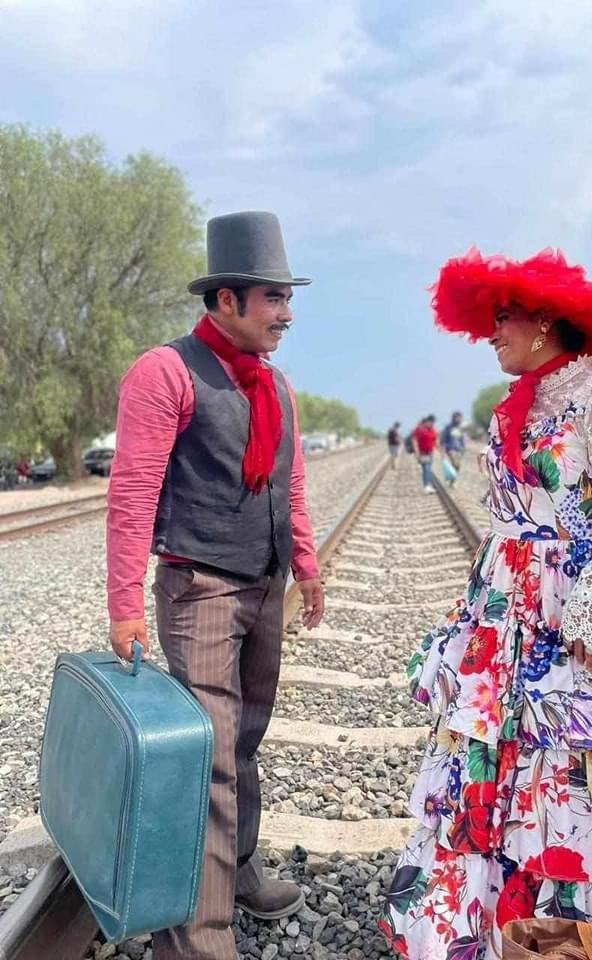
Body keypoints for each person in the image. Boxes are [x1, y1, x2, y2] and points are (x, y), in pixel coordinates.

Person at [381, 248, 592, 960]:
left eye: (503, 319)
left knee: (588, 749)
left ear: (544, 323)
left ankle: (591, 925)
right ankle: (491, 922)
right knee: (495, 747)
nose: (491, 334)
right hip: (508, 607)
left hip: (578, 607)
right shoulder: (522, 403)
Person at [106, 211, 325, 960]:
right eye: (274, 298)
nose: (286, 313)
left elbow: (291, 483)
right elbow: (133, 492)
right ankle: (197, 939)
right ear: (227, 300)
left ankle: (236, 875)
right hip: (200, 587)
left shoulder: (276, 385)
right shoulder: (164, 372)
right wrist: (124, 605)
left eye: (287, 297)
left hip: (262, 585)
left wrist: (306, 566)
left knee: (245, 742)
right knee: (209, 761)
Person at [413, 415, 439, 492]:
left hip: (430, 452)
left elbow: (435, 440)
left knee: (428, 469)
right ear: (427, 421)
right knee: (426, 468)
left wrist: (440, 450)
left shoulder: (433, 430)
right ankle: (427, 486)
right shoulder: (420, 429)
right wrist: (416, 452)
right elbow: (414, 440)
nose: (432, 424)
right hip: (423, 452)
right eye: (431, 422)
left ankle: (427, 485)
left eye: (433, 423)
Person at [441, 411, 466, 485]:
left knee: (458, 466)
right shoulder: (448, 428)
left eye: (460, 418)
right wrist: (443, 449)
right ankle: (451, 478)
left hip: (459, 449)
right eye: (458, 418)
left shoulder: (460, 428)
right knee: (455, 463)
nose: (459, 419)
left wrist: (463, 447)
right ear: (454, 418)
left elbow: (461, 438)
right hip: (451, 449)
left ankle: (452, 480)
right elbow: (444, 439)